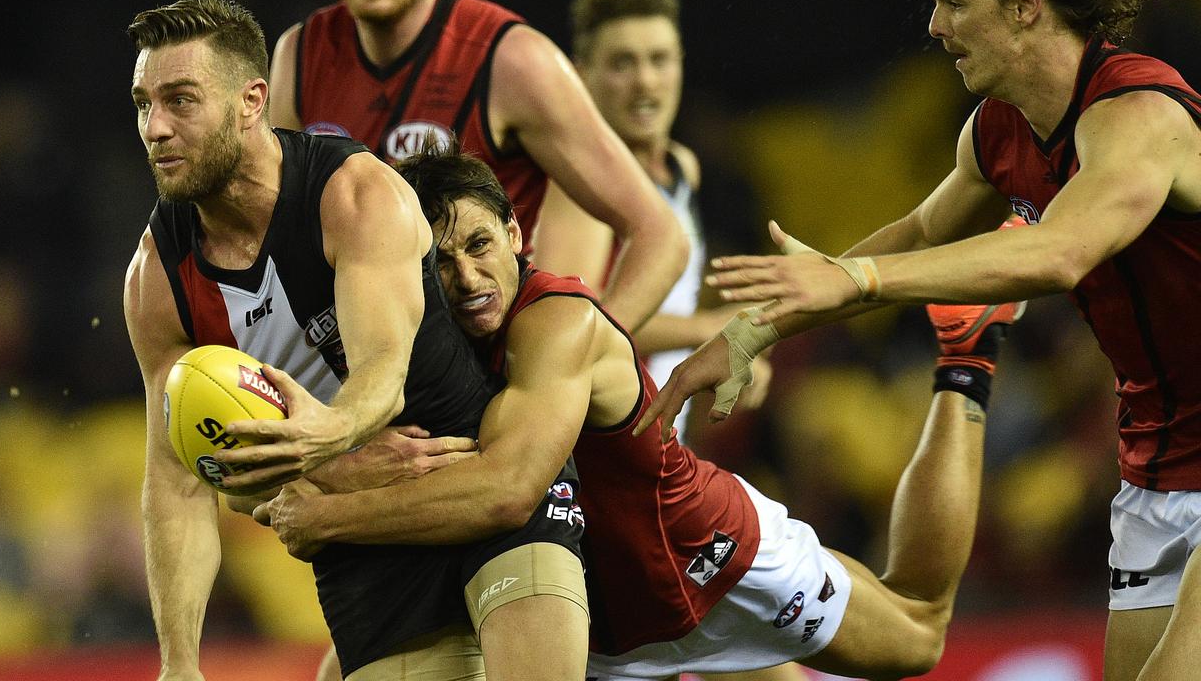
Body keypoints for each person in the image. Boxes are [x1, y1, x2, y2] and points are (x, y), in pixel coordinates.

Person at [253, 144, 1023, 680]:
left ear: (517, 234)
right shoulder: (419, 342)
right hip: (597, 626)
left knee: (917, 634)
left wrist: (328, 518)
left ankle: (964, 355)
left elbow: (507, 489)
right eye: (441, 261)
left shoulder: (556, 322)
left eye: (481, 245)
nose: (466, 277)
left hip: (707, 560)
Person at [644, 0, 1201, 679]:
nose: (935, 28)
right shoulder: (998, 131)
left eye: (955, 4)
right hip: (1156, 469)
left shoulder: (1138, 112)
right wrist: (755, 329)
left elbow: (1060, 253)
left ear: (1027, 7)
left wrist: (857, 275)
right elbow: (919, 233)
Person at [122, 0, 587, 681]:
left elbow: (382, 374)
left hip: (470, 487)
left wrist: (324, 442)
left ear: (252, 101)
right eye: (142, 104)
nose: (156, 127)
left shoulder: (355, 194)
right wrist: (179, 663)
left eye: (181, 100)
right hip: (358, 552)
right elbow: (176, 477)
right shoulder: (157, 278)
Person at [266, 0, 689, 334]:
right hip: (356, 360)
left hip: (482, 372)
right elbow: (270, 239)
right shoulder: (299, 52)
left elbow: (660, 235)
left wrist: (584, 360)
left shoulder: (512, 58)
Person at [560, 0, 770, 443]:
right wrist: (712, 330)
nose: (645, 81)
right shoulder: (579, 184)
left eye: (659, 59)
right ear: (579, 73)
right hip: (597, 445)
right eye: (622, 63)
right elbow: (566, 331)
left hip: (660, 438)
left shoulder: (682, 166)